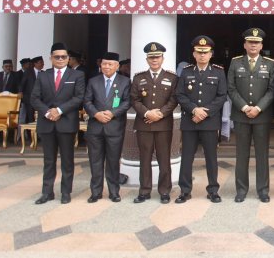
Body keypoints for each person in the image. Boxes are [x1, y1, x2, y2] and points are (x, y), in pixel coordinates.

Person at [31, 43, 85, 204]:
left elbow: (79, 97)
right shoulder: (43, 75)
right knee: (48, 160)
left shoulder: (77, 76)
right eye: (57, 57)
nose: (60, 59)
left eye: (63, 57)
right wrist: (48, 112)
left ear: (68, 59)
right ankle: (47, 192)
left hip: (66, 123)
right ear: (51, 58)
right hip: (47, 123)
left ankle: (66, 192)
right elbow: (34, 98)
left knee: (67, 160)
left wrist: (59, 110)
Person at [175, 36, 227, 204]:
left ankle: (213, 190)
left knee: (211, 157)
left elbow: (222, 96)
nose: (202, 55)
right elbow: (180, 94)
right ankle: (185, 190)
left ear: (211, 54)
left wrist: (206, 112)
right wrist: (194, 110)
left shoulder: (218, 72)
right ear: (194, 54)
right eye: (199, 52)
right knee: (187, 157)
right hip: (190, 121)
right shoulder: (186, 71)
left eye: (205, 53)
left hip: (210, 121)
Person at [228, 28, 274, 203]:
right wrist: (244, 107)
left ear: (261, 45)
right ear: (245, 44)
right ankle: (241, 189)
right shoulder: (235, 62)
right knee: (242, 154)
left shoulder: (270, 64)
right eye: (250, 42)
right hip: (241, 116)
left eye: (256, 43)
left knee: (262, 155)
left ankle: (263, 190)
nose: (253, 45)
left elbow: (272, 90)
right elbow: (231, 88)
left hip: (261, 117)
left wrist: (258, 108)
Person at [130, 42, 178, 204]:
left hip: (163, 125)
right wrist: (147, 112)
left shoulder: (172, 78)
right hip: (144, 124)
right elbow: (134, 100)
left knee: (164, 159)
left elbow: (173, 100)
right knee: (144, 159)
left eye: (157, 57)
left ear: (163, 58)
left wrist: (160, 114)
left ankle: (164, 191)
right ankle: (144, 191)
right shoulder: (139, 78)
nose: (154, 60)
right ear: (147, 59)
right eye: (151, 57)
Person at [83, 52, 131, 203]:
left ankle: (114, 191)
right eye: (104, 64)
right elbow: (87, 101)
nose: (107, 67)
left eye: (110, 64)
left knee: (113, 161)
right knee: (95, 161)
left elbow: (127, 102)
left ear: (117, 66)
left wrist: (112, 113)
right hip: (95, 127)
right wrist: (96, 114)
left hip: (114, 127)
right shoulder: (93, 81)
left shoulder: (125, 81)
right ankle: (96, 192)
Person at [19, 56, 45, 124]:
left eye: (43, 62)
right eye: (40, 62)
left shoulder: (44, 73)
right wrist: (20, 92)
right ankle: (29, 133)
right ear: (35, 64)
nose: (42, 64)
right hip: (29, 98)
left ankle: (38, 133)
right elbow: (22, 83)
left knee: (40, 117)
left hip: (41, 100)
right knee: (30, 117)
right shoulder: (28, 72)